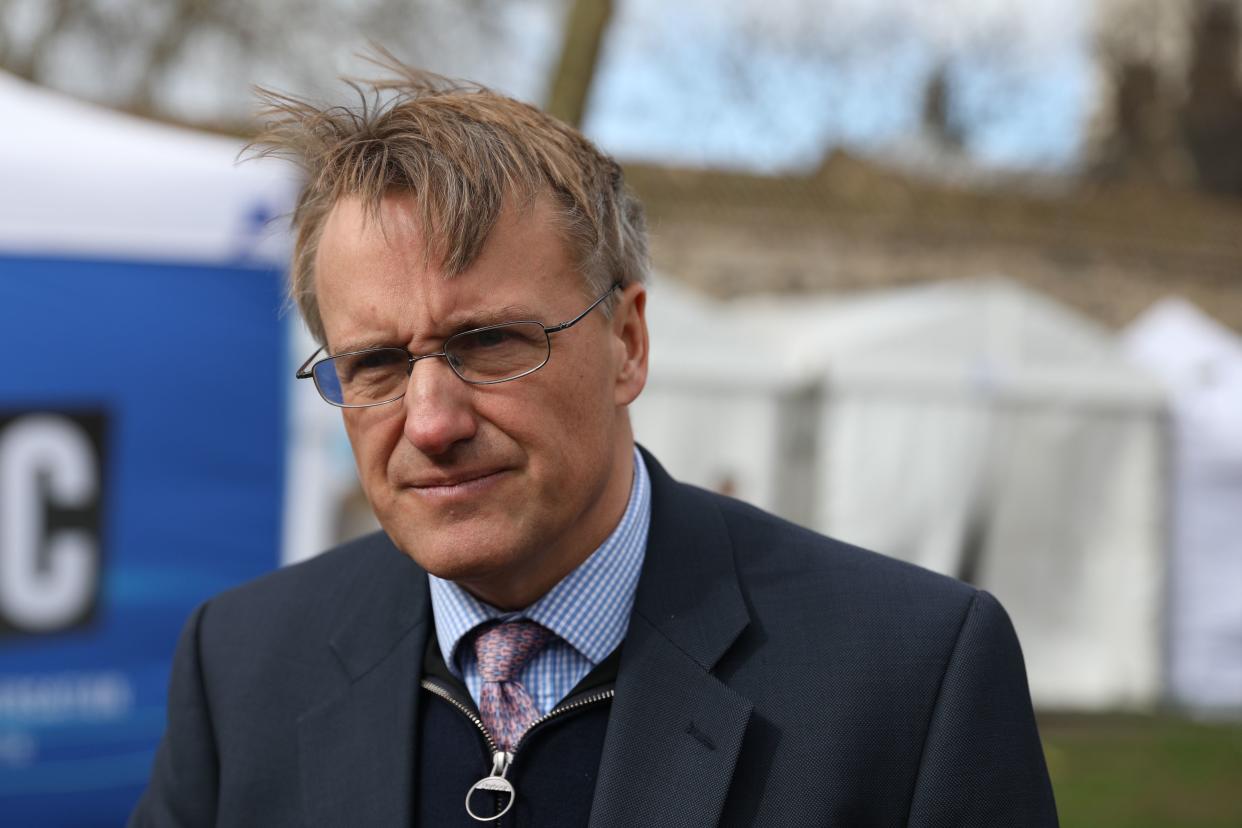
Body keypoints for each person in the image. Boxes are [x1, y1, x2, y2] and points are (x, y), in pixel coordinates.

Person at [130, 62, 1058, 827]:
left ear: (628, 344)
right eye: (374, 363)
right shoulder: (242, 667)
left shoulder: (906, 679)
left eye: (489, 342)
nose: (432, 421)